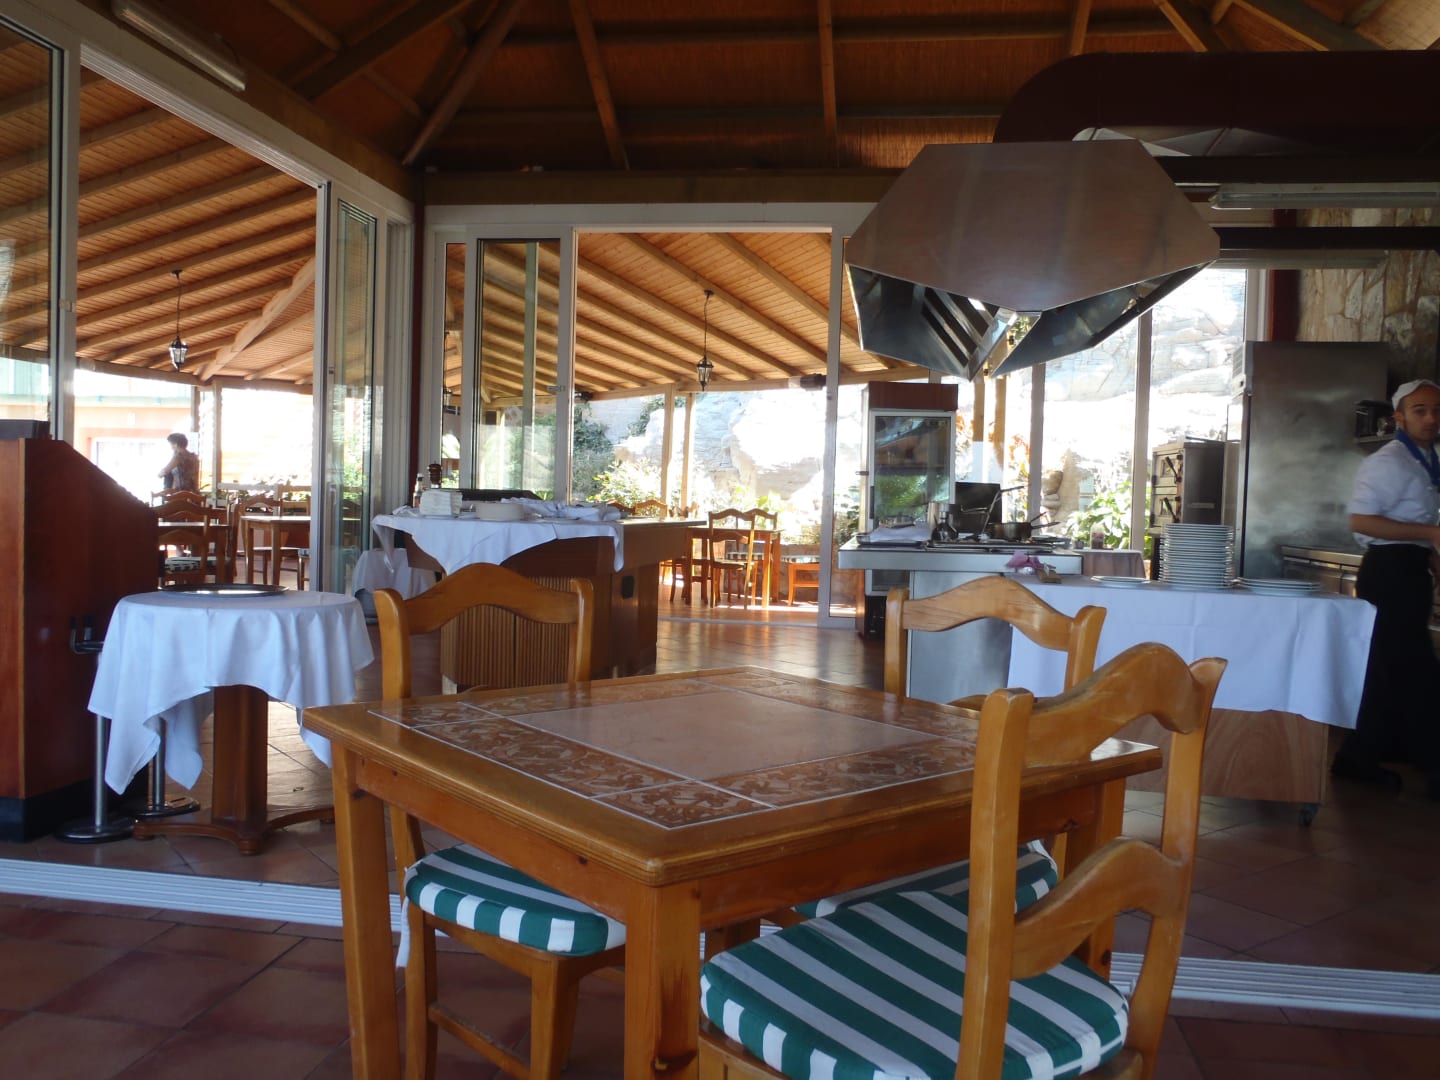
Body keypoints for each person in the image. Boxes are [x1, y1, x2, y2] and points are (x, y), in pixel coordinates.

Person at [1334, 378, 1440, 798]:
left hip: (1410, 569)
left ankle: (1364, 755)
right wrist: (1430, 534)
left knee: (1393, 666)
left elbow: (1424, 530)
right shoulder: (1389, 462)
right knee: (1412, 667)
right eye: (1420, 410)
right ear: (1399, 417)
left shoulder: (1426, 459)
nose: (1430, 418)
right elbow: (1361, 521)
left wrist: (1432, 558)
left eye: (1436, 410)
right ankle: (1421, 760)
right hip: (1389, 571)